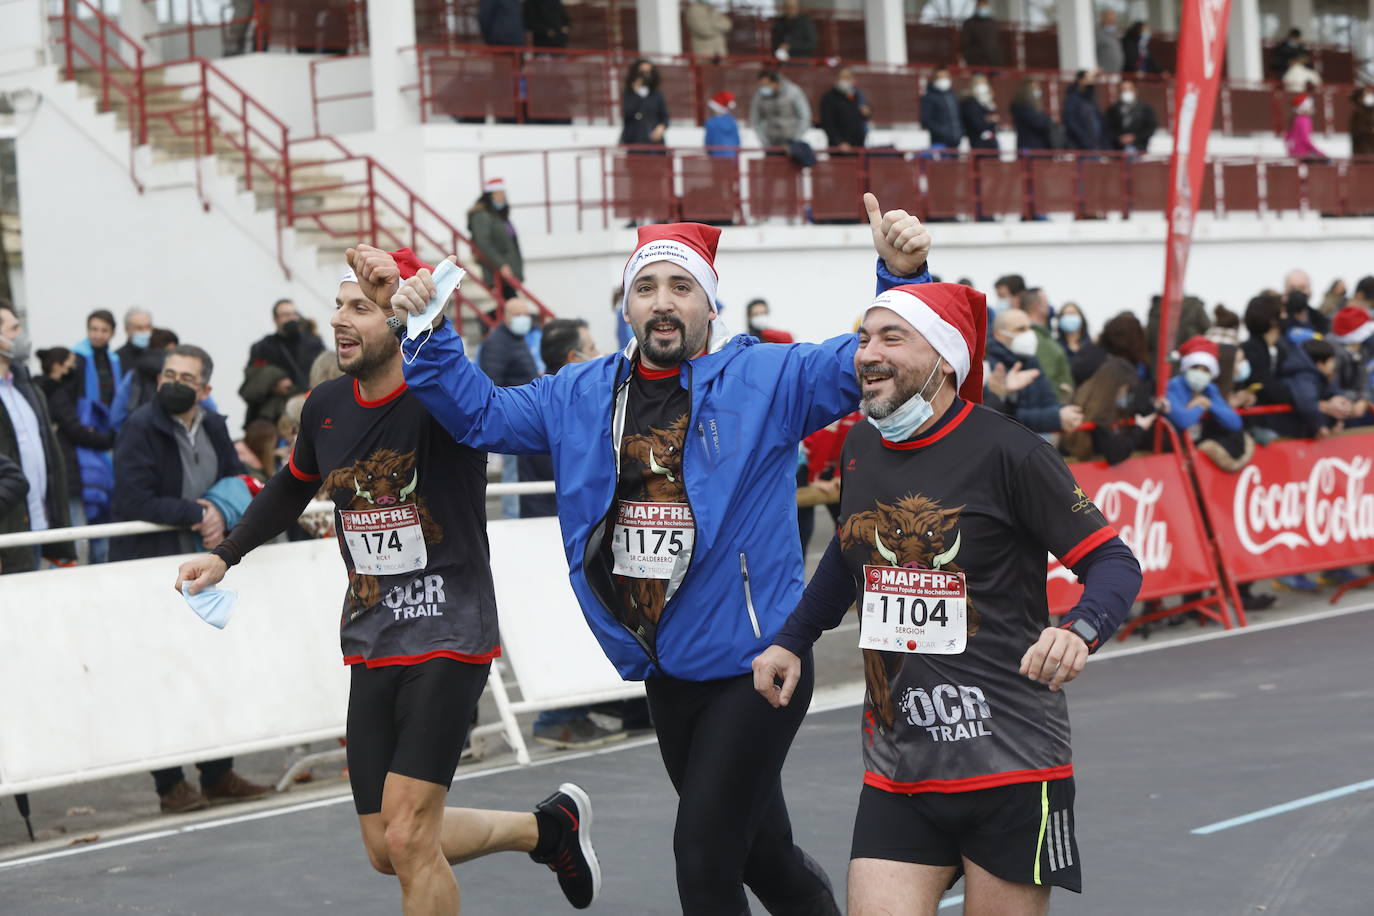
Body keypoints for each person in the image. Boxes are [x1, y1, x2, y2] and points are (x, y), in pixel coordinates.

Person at [372, 193, 935, 915]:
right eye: (646, 288)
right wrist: (425, 328)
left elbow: (867, 362)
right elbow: (482, 413)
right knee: (762, 854)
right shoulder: (579, 393)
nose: (662, 303)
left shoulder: (766, 377)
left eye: (680, 287)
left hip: (757, 664)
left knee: (702, 859)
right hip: (664, 668)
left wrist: (900, 280)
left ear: (709, 305)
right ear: (627, 308)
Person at [177, 253, 601, 912]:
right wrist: (227, 555)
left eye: (361, 308)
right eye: (339, 306)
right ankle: (546, 831)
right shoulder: (325, 406)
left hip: (448, 632)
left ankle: (545, 832)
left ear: (398, 318)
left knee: (408, 834)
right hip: (371, 639)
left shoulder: (444, 402)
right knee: (386, 846)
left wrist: (423, 308)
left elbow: (464, 376)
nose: (340, 321)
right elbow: (292, 486)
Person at [752, 282, 1141, 915]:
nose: (866, 353)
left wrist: (1079, 629)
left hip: (1010, 761)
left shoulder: (1010, 449)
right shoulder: (858, 447)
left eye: (891, 337)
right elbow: (850, 557)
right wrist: (792, 638)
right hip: (898, 761)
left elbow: (1112, 562)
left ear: (943, 357)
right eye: (863, 338)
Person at [109, 344, 273, 812]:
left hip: (205, 567)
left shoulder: (216, 425)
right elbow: (133, 500)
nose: (174, 383)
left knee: (213, 669)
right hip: (152, 563)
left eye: (186, 377)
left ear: (205, 389)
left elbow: (236, 478)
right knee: (164, 675)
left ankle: (219, 774)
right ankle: (170, 785)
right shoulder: (139, 427)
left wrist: (220, 511)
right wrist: (199, 513)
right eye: (168, 374)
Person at [0, 301, 74, 575]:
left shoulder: (27, 389)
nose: (21, 334)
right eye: (14, 328)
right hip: (7, 535)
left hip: (38, 527)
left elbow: (50, 461)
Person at [35, 346, 114, 563]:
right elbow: (75, 429)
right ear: (59, 365)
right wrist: (107, 439)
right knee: (75, 532)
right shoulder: (58, 394)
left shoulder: (35, 389)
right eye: (71, 363)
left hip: (46, 470)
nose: (75, 369)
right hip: (67, 469)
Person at [480, 299, 541, 520]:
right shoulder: (498, 343)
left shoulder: (517, 339)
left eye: (526, 314)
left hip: (525, 416)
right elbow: (491, 382)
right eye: (518, 314)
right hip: (511, 418)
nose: (523, 319)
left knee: (521, 472)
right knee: (513, 473)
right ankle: (511, 516)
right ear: (505, 316)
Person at [71, 309, 122, 560]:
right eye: (93, 329)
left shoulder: (113, 360)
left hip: (108, 429)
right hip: (88, 431)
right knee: (92, 494)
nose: (97, 335)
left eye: (103, 330)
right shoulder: (77, 357)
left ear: (112, 332)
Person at [986, 308, 1083, 435]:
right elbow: (1005, 416)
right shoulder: (990, 365)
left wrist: (1066, 412)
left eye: (1029, 328)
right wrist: (1055, 417)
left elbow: (1049, 399)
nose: (1028, 334)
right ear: (999, 334)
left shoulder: (1030, 359)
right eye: (1021, 329)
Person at [1164, 337, 1250, 469]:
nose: (1200, 373)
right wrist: (1200, 406)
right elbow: (1182, 420)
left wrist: (1209, 404)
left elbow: (1235, 422)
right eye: (1195, 368)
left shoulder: (1210, 390)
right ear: (1186, 368)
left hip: (1195, 454)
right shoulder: (1173, 386)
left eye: (1205, 370)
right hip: (1170, 454)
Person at [241, 298, 324, 426]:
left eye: (293, 314)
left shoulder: (313, 343)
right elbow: (252, 381)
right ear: (275, 319)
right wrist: (273, 384)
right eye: (285, 315)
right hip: (273, 418)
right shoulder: (262, 347)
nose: (291, 318)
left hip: (307, 412)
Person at [1062, 356, 1154, 464]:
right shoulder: (1101, 414)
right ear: (1114, 388)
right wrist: (1139, 429)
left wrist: (1155, 408)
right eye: (1124, 390)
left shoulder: (1084, 397)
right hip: (1081, 468)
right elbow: (1116, 453)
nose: (1124, 395)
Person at [468, 177, 525, 300]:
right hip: (497, 273)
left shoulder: (499, 217)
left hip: (509, 273)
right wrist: (501, 265)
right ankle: (483, 319)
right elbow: (483, 243)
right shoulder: (481, 215)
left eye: (503, 194)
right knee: (508, 306)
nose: (502, 198)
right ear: (489, 196)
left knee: (509, 305)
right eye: (498, 194)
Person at [112, 326, 180, 428]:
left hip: (137, 434)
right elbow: (208, 406)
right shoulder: (181, 376)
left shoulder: (133, 374)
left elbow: (116, 416)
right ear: (171, 347)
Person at [1018, 288, 1073, 402]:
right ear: (1039, 306)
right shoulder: (1035, 338)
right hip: (1053, 408)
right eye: (1046, 302)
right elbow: (1045, 378)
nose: (1049, 306)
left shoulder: (1042, 336)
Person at [752, 69, 813, 150]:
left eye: (765, 85)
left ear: (775, 83)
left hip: (792, 141)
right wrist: (764, 141)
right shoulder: (759, 96)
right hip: (770, 142)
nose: (763, 88)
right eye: (760, 85)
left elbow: (805, 116)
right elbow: (754, 119)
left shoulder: (793, 92)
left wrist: (796, 138)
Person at [620, 59, 669, 149]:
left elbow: (664, 117)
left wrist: (661, 128)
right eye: (642, 72)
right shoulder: (629, 94)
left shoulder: (656, 95)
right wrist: (636, 93)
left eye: (648, 72)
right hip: (634, 141)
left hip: (655, 141)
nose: (645, 76)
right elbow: (628, 114)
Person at [820, 67, 871, 152]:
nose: (845, 80)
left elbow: (864, 114)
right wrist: (838, 142)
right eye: (843, 77)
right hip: (840, 148)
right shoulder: (829, 97)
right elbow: (827, 123)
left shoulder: (857, 95)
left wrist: (868, 112)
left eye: (848, 78)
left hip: (858, 145)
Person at [1106, 80, 1158, 153]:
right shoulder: (1113, 109)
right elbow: (1108, 128)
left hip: (1139, 147)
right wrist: (1119, 138)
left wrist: (1135, 137)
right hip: (1117, 149)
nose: (1126, 92)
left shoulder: (1145, 109)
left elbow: (1151, 127)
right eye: (1123, 90)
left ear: (1135, 91)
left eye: (1129, 89)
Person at [920, 68, 963, 151]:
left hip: (956, 141)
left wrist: (961, 132)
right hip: (939, 142)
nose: (943, 80)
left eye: (945, 77)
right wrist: (943, 132)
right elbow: (925, 120)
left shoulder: (953, 96)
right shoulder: (929, 97)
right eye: (940, 77)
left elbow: (958, 117)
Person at [1063, 70, 1105, 151]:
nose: (1090, 81)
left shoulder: (1091, 98)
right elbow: (1070, 121)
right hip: (1082, 145)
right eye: (1087, 78)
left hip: (1096, 144)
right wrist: (1083, 137)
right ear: (1080, 80)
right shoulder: (1073, 98)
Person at [1011, 80, 1054, 151]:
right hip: (1030, 147)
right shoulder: (1023, 108)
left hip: (1039, 146)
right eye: (1035, 88)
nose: (1038, 91)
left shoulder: (1035, 107)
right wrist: (1048, 120)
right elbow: (1039, 123)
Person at [960, 75, 1000, 153]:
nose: (983, 86)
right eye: (979, 83)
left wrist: (990, 119)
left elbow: (994, 119)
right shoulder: (970, 102)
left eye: (984, 83)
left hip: (991, 142)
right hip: (978, 143)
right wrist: (989, 120)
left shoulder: (988, 102)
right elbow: (977, 122)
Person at [1055, 302, 1098, 368]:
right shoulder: (1055, 345)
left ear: (1081, 317)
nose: (1068, 317)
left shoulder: (1092, 344)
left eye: (1071, 314)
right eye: (1064, 315)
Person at [1285, 93, 1327, 161]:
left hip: (1296, 153)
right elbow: (1305, 140)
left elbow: (1288, 138)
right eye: (1310, 106)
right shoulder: (1304, 120)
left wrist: (1291, 151)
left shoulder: (1295, 119)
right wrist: (1319, 152)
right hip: (1303, 154)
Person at [960, 0, 1001, 67]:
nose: (983, 8)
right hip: (975, 60)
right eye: (981, 6)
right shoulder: (969, 23)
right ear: (976, 7)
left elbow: (997, 41)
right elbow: (964, 42)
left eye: (985, 6)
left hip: (993, 60)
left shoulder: (993, 22)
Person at [703, 90, 741, 158]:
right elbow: (737, 140)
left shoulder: (711, 122)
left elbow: (709, 141)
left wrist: (709, 152)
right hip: (732, 157)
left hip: (717, 157)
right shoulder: (732, 121)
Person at [1095, 10, 1124, 75]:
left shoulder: (1117, 32)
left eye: (1113, 18)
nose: (1112, 21)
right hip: (1103, 70)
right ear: (1102, 19)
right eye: (1109, 19)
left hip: (1117, 70)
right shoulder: (1097, 32)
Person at [1350, 87, 1374, 156]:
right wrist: (1371, 129)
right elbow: (1358, 130)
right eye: (1366, 94)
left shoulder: (1369, 110)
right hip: (1364, 149)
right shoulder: (1358, 112)